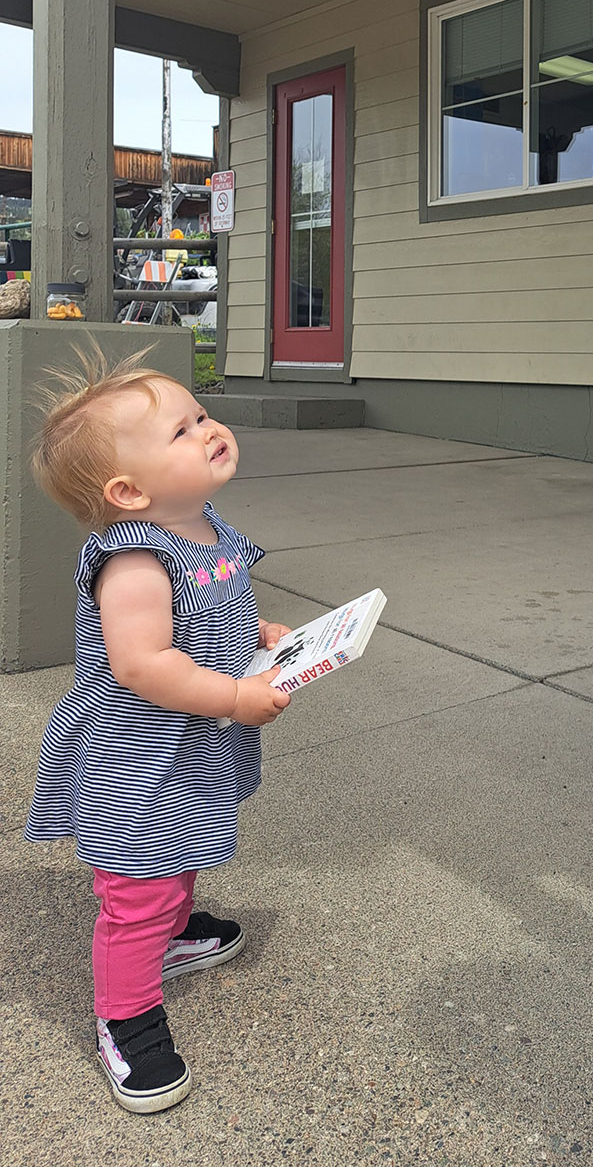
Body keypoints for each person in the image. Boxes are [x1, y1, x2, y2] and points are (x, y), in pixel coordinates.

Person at [23, 346, 291, 1114]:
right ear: (128, 490)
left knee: (185, 845)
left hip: (192, 745)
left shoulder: (205, 526)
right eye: (183, 430)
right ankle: (125, 1015)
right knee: (138, 884)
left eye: (202, 415)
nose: (209, 429)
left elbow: (217, 613)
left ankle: (171, 934)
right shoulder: (136, 560)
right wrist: (237, 697)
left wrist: (260, 632)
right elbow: (142, 664)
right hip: (138, 756)